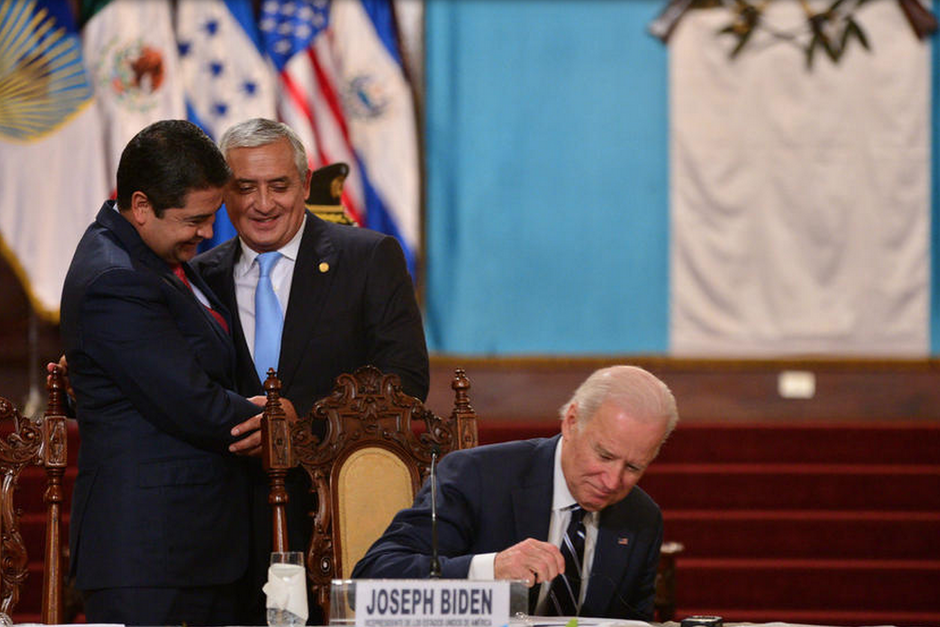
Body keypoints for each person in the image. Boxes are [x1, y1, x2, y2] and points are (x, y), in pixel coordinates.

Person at [190, 117, 430, 622]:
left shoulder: (368, 259)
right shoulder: (198, 277)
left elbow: (405, 383)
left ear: (303, 184)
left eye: (278, 186)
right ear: (222, 194)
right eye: (245, 187)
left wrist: (307, 426)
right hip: (225, 530)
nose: (262, 203)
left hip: (336, 519)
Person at [59, 120, 277, 625]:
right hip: (151, 557)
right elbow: (193, 402)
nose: (207, 233)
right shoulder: (117, 280)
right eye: (194, 220)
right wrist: (271, 419)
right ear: (141, 206)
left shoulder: (150, 257)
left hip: (190, 551)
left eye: (213, 216)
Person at [351, 365, 678, 621]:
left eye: (633, 468)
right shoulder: (476, 476)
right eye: (604, 456)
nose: (612, 481)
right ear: (572, 421)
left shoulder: (641, 519)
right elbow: (371, 581)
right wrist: (490, 569)